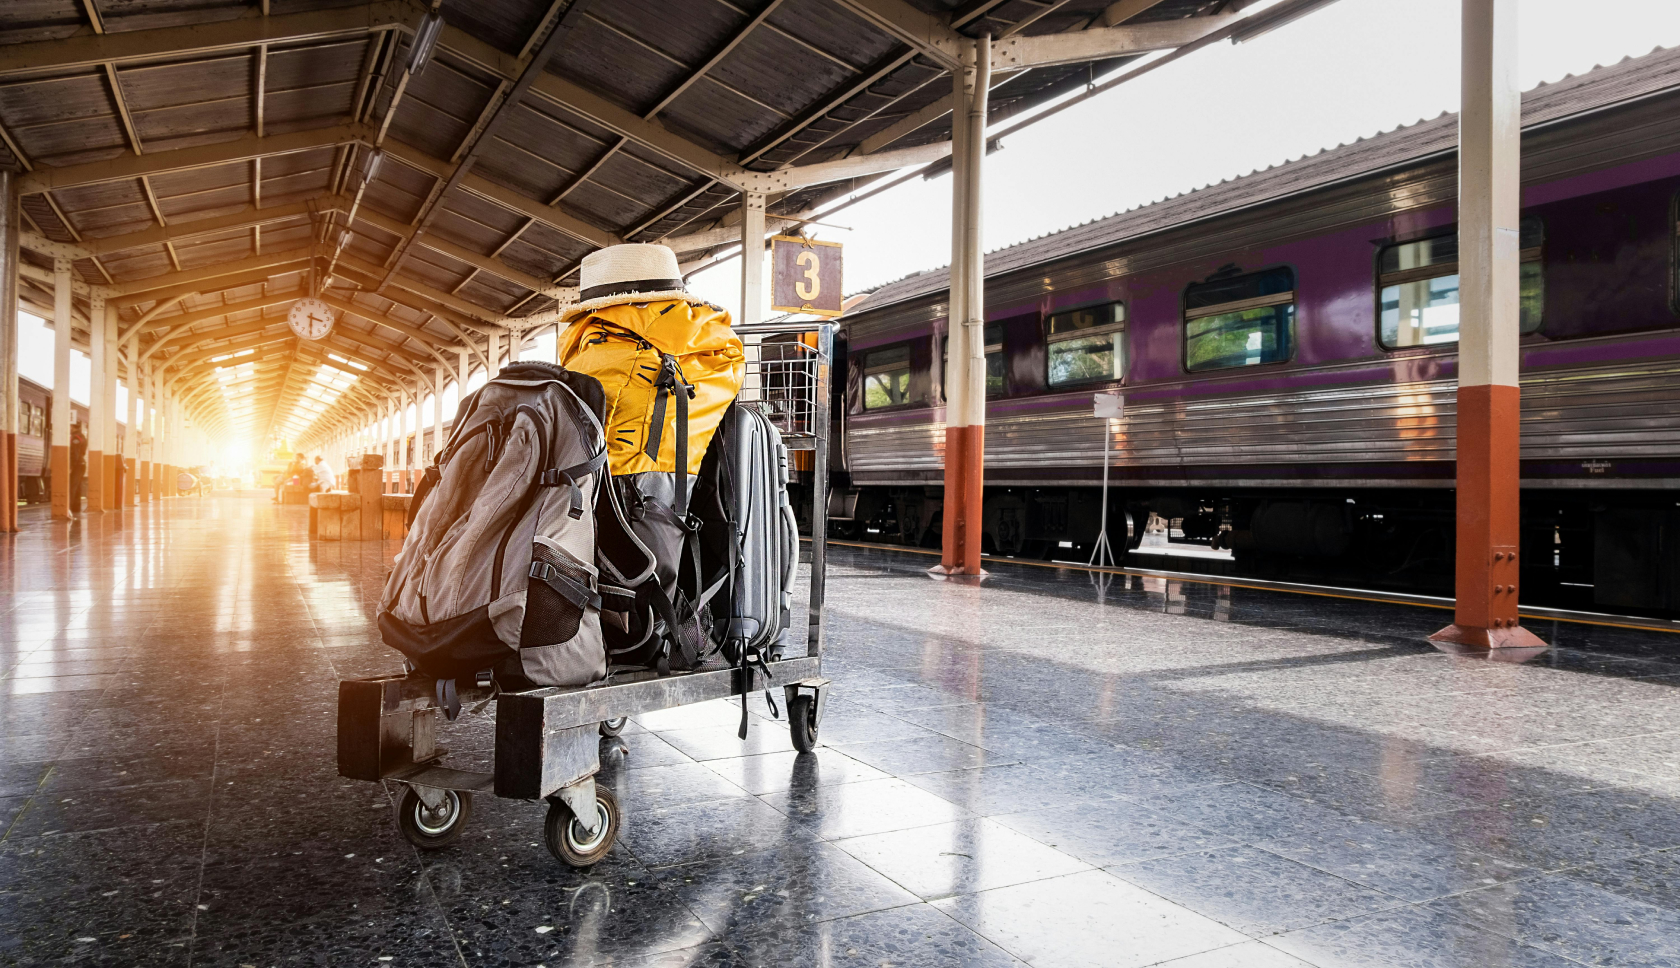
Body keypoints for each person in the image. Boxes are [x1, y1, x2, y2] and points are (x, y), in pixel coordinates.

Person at [69, 423, 87, 516]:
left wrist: (71, 466)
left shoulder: (76, 437)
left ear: (73, 427)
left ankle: (69, 508)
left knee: (71, 487)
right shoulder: (82, 436)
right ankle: (76, 509)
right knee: (77, 487)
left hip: (77, 465)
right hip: (81, 463)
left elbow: (74, 453)